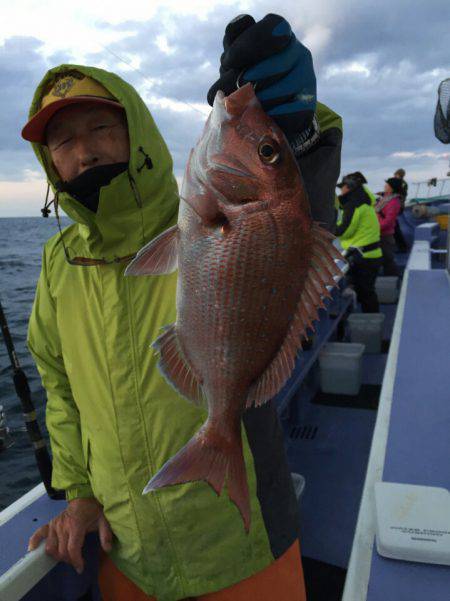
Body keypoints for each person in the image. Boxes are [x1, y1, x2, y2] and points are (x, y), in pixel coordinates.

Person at [23, 14, 342, 601]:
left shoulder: (189, 214)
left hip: (241, 546)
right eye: (63, 141)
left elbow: (300, 221)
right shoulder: (57, 263)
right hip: (128, 552)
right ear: (50, 164)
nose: (86, 151)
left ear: (137, 132)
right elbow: (58, 383)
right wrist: (78, 493)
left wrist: (299, 137)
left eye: (100, 127)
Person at [336, 174, 382, 312]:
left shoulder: (354, 204)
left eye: (342, 187)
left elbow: (345, 230)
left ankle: (372, 325)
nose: (340, 191)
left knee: (366, 293)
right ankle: (371, 320)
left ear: (349, 187)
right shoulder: (364, 202)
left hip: (364, 258)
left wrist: (329, 229)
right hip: (371, 254)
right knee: (367, 292)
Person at [375, 178, 403, 276]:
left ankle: (395, 278)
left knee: (388, 260)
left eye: (386, 185)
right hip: (378, 234)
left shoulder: (393, 202)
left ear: (391, 188)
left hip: (385, 236)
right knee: (382, 259)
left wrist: (375, 228)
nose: (384, 186)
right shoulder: (385, 198)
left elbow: (389, 221)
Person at [393, 168, 408, 251]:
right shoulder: (403, 184)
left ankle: (402, 247)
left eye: (395, 174)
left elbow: (399, 194)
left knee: (395, 227)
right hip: (398, 206)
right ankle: (401, 246)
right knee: (395, 227)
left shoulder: (400, 184)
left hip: (397, 207)